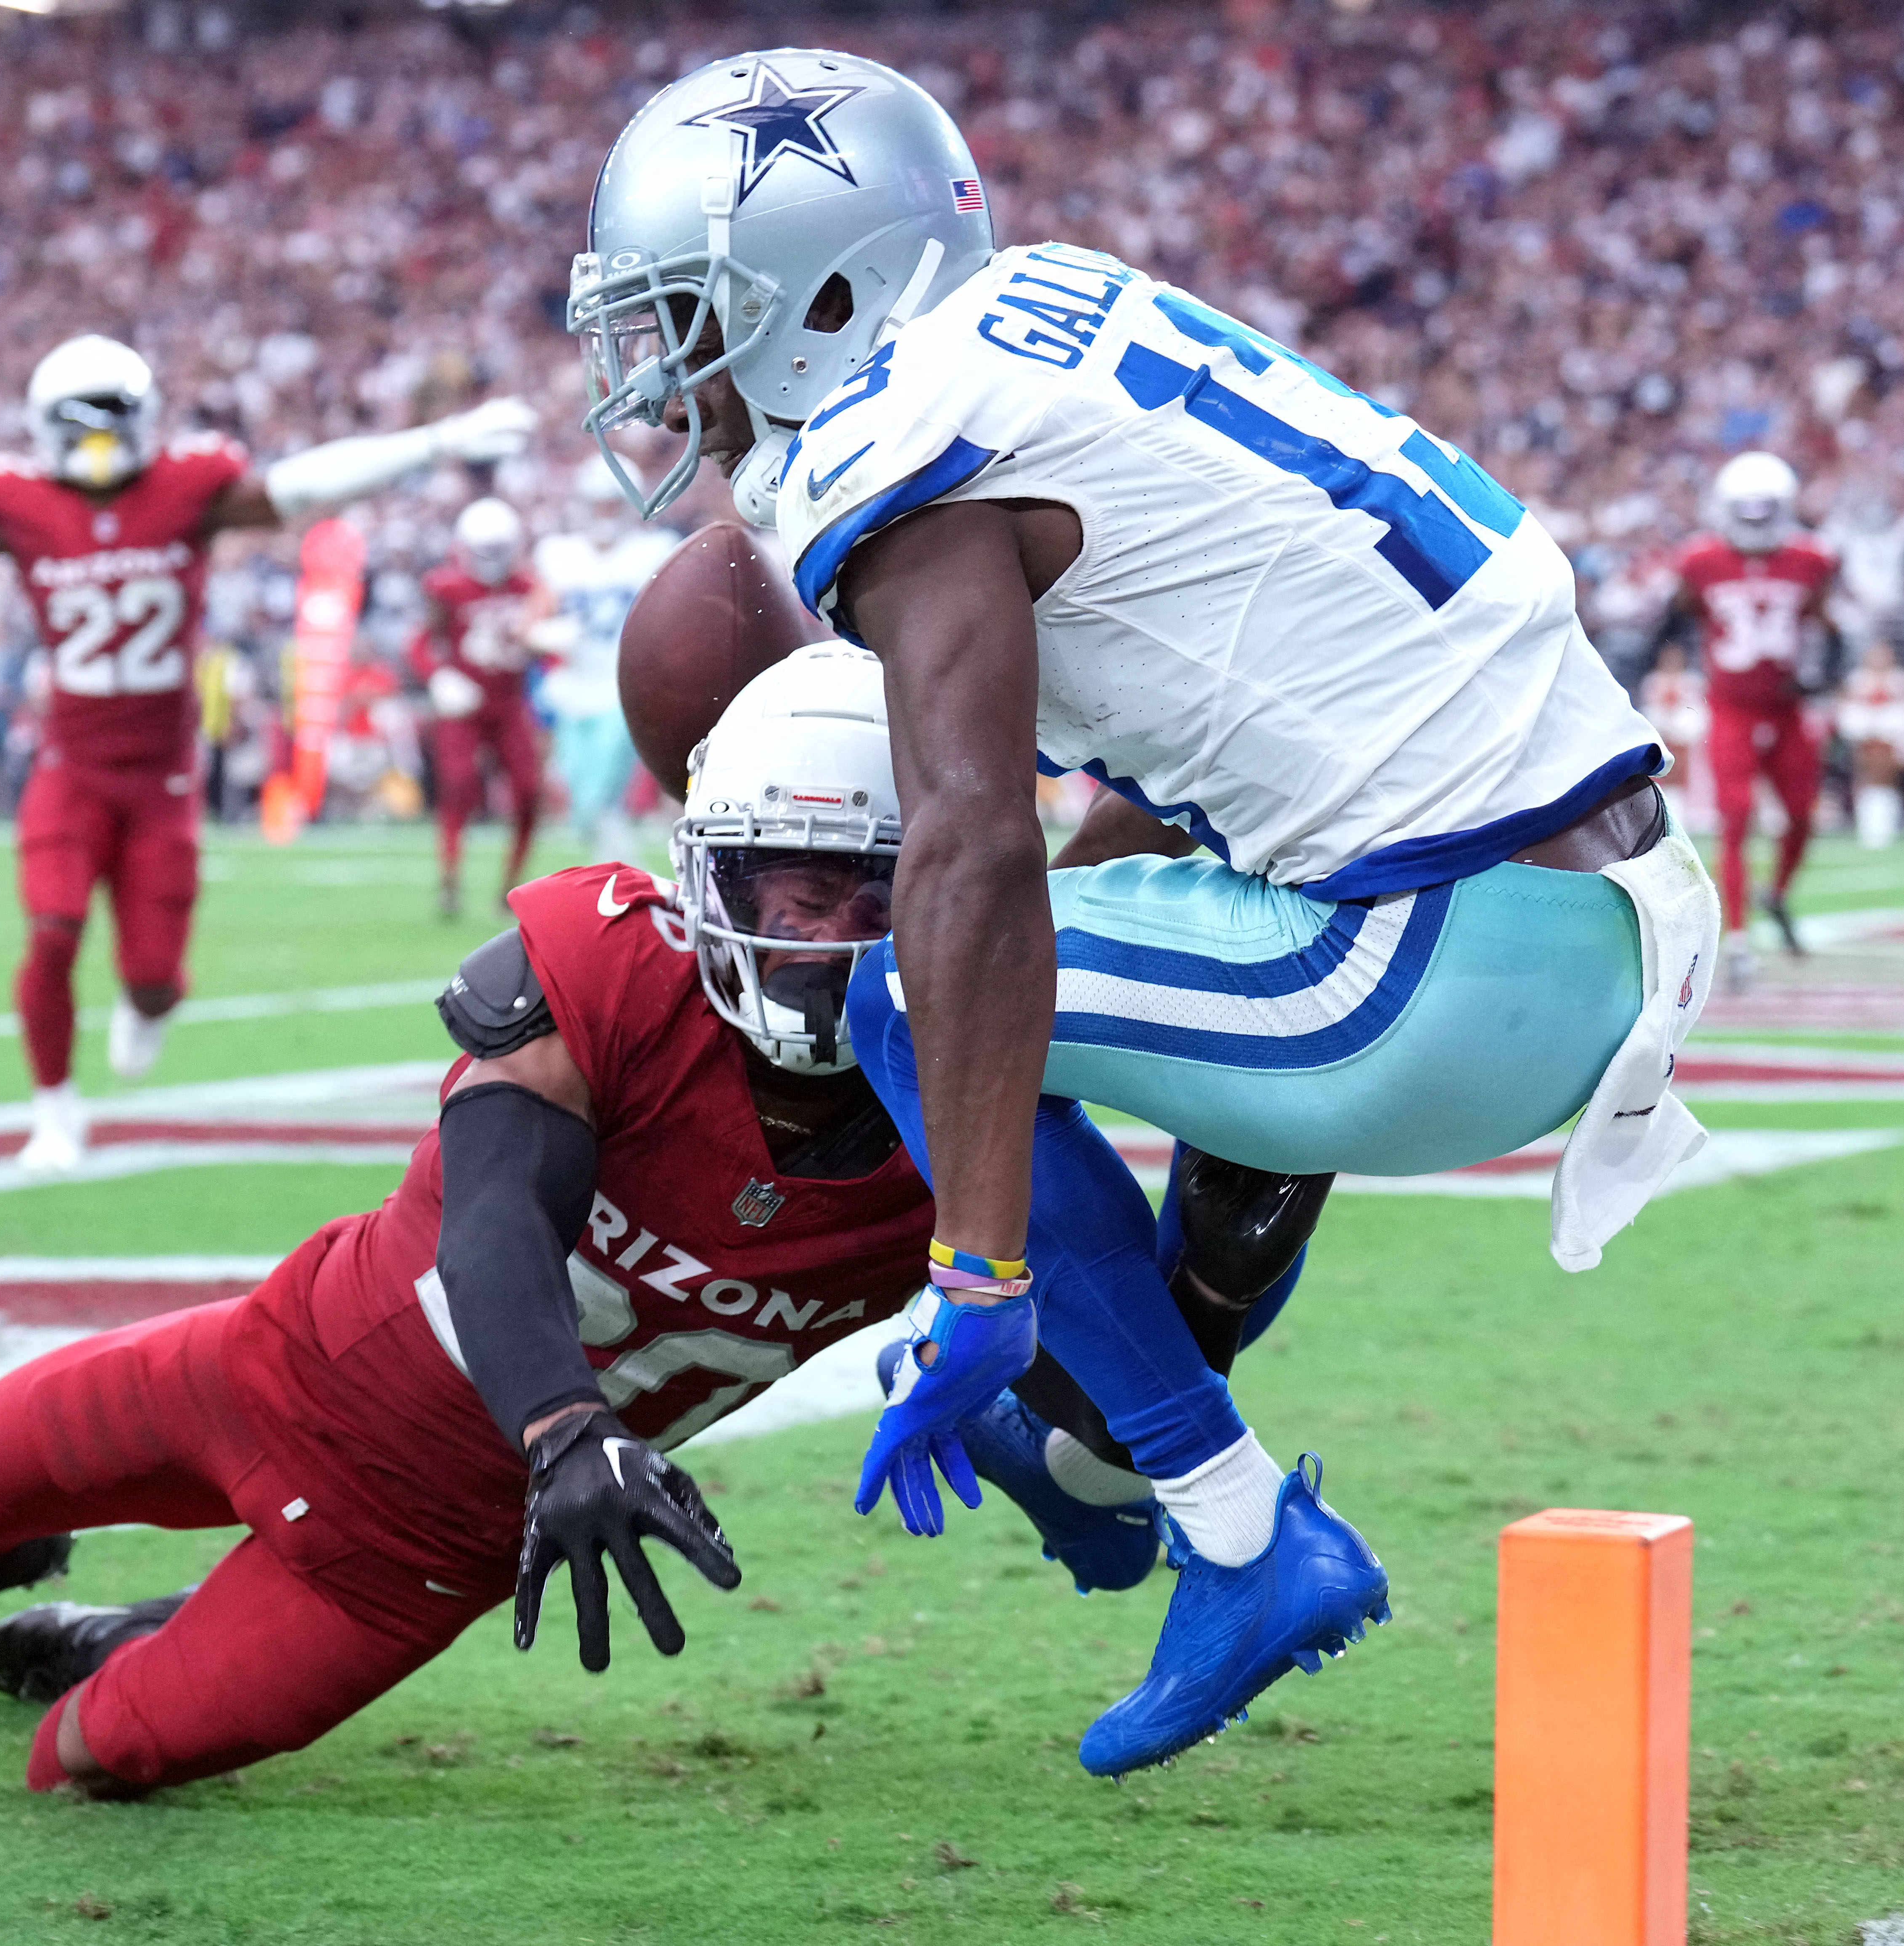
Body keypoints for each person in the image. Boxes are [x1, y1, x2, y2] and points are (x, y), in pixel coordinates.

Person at [571, 50, 1719, 1777]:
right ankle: (1108, 1446)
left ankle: (1238, 1531)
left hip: (1447, 957)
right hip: (1586, 892)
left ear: (819, 290)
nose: (669, 377)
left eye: (690, 318)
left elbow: (969, 849)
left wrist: (975, 1268)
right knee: (1127, 937)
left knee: (911, 999)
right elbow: (1178, 748)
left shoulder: (888, 438)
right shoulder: (1047, 310)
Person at [0, 648, 1159, 1795]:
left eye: (885, 896)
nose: (836, 943)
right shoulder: (614, 965)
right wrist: (564, 1427)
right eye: (801, 895)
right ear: (715, 883)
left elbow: (1126, 1332)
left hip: (424, 1555)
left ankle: (140, 1625)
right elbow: (495, 1210)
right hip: (272, 1369)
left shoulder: (964, 1140)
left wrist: (1248, 1203)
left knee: (93, 1753)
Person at [0, 336, 533, 1169]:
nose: (95, 444)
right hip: (70, 766)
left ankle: (145, 1000)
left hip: (161, 778)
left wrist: (433, 443)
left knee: (154, 979)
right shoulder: (20, 502)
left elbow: (302, 489)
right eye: (78, 426)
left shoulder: (186, 487)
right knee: (51, 931)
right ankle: (53, 1108)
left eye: (108, 422)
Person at [1666, 451, 1841, 956]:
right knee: (1736, 816)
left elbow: (1828, 625)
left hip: (1786, 709)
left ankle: (1779, 893)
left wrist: (1822, 673)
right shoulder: (1700, 561)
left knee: (1803, 815)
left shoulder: (1811, 559)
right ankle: (1738, 936)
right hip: (1730, 707)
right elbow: (1674, 618)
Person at [412, 497, 553, 917]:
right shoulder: (447, 587)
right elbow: (420, 642)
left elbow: (542, 642)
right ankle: (450, 881)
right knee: (458, 787)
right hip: (465, 705)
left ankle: (510, 886)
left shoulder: (530, 587)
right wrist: (439, 676)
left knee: (529, 791)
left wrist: (551, 650)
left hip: (510, 702)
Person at [534, 468, 678, 858]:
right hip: (571, 688)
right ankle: (623, 874)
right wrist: (546, 632)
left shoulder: (655, 549)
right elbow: (536, 614)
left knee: (601, 797)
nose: (605, 512)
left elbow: (671, 617)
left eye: (613, 503)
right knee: (583, 808)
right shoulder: (559, 554)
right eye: (599, 503)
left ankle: (625, 876)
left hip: (623, 687)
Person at [1832, 639, 1904, 851]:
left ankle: (1885, 827)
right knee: (1866, 780)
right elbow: (1844, 705)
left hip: (1891, 739)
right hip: (1864, 739)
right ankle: (1869, 827)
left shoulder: (1901, 680)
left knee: (1886, 781)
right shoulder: (1858, 680)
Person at [1636, 640, 1711, 832]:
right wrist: (1662, 726)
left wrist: (1681, 728)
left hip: (1684, 739)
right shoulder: (1653, 682)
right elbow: (1648, 709)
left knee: (1685, 776)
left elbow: (1697, 710)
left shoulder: (1692, 682)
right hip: (1661, 736)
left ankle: (1688, 816)